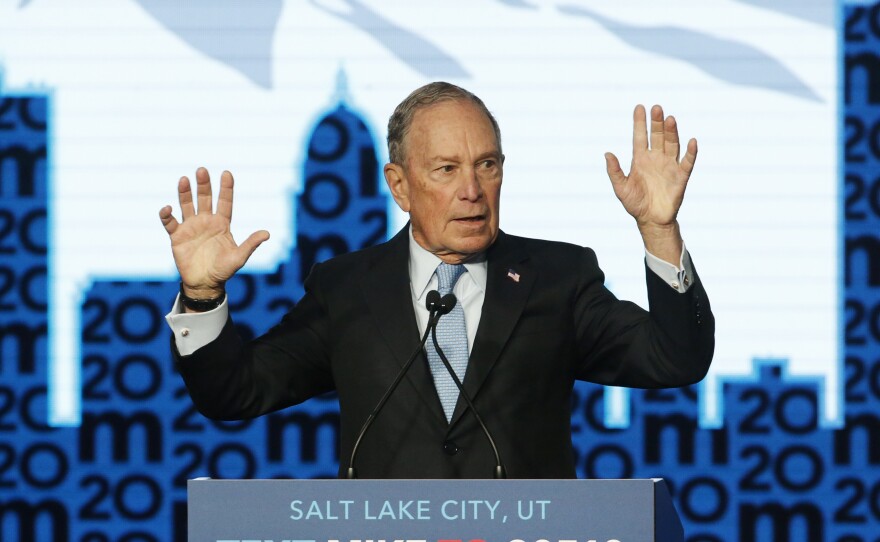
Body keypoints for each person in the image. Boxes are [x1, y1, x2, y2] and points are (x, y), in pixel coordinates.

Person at [159, 82, 714, 478]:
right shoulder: (346, 289)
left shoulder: (557, 278)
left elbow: (676, 360)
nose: (472, 190)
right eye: (446, 170)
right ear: (399, 186)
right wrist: (203, 296)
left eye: (487, 165)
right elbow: (234, 393)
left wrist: (658, 229)